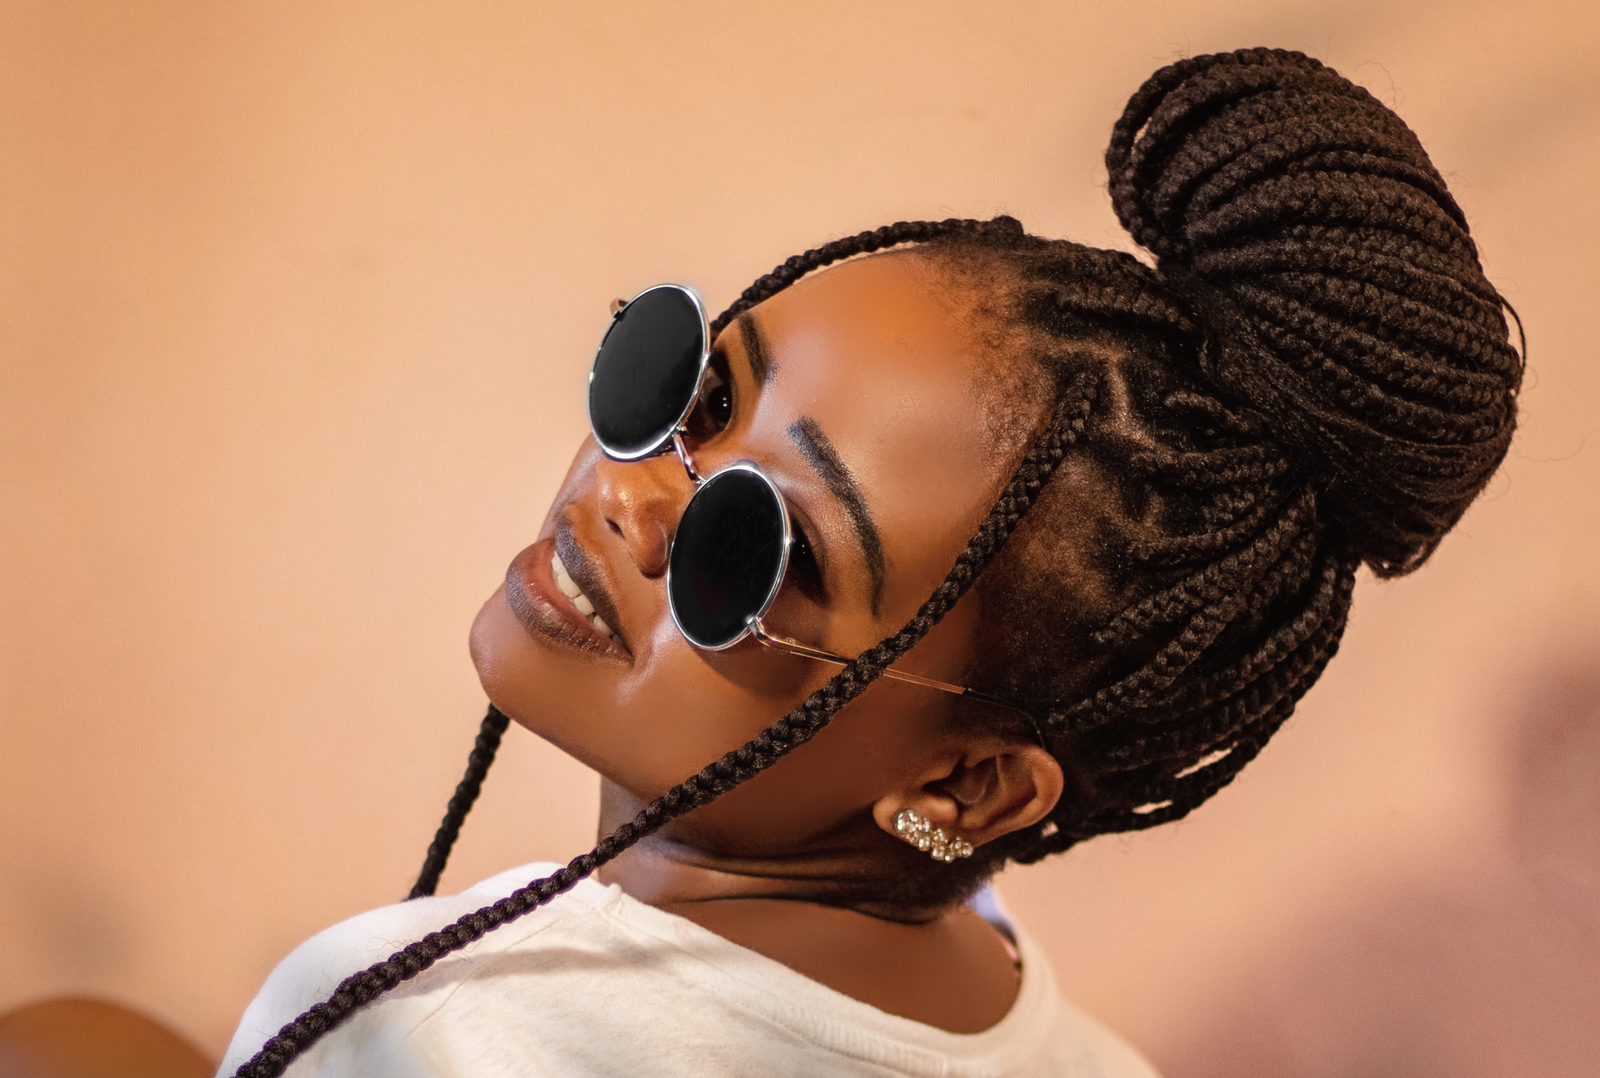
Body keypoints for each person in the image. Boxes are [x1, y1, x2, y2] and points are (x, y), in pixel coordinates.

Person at [216, 48, 1522, 1077]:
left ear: (965, 785)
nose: (632, 497)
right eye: (696, 383)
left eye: (753, 545)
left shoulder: (425, 1033)